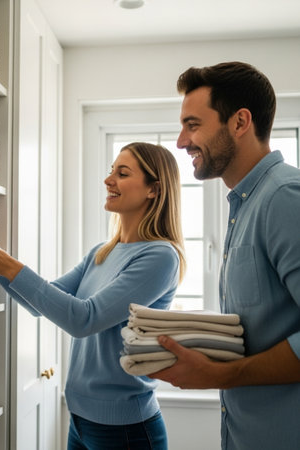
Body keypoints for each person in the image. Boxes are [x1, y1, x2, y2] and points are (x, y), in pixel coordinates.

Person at [0, 142, 186, 450]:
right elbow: (41, 305)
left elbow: (84, 319)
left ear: (154, 189)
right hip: (80, 421)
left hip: (126, 431)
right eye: (110, 170)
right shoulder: (102, 253)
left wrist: (7, 263)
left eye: (122, 173)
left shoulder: (160, 256)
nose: (109, 180)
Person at [149, 62, 300, 450]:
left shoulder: (284, 198)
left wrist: (223, 373)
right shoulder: (245, 204)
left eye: (193, 124)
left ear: (240, 122)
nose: (181, 141)